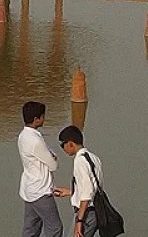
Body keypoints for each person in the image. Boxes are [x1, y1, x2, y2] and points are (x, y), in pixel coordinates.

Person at [18, 101, 63, 237]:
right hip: (41, 190)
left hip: (29, 189)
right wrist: (53, 156)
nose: (44, 119)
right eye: (43, 116)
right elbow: (53, 164)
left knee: (31, 229)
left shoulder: (23, 136)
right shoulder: (35, 141)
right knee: (55, 228)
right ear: (36, 119)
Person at [56, 126, 104, 237]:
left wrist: (79, 221)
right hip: (96, 210)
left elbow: (87, 193)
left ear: (70, 143)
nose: (63, 148)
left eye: (62, 145)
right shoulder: (94, 158)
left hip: (86, 213)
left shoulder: (80, 161)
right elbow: (94, 187)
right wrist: (70, 192)